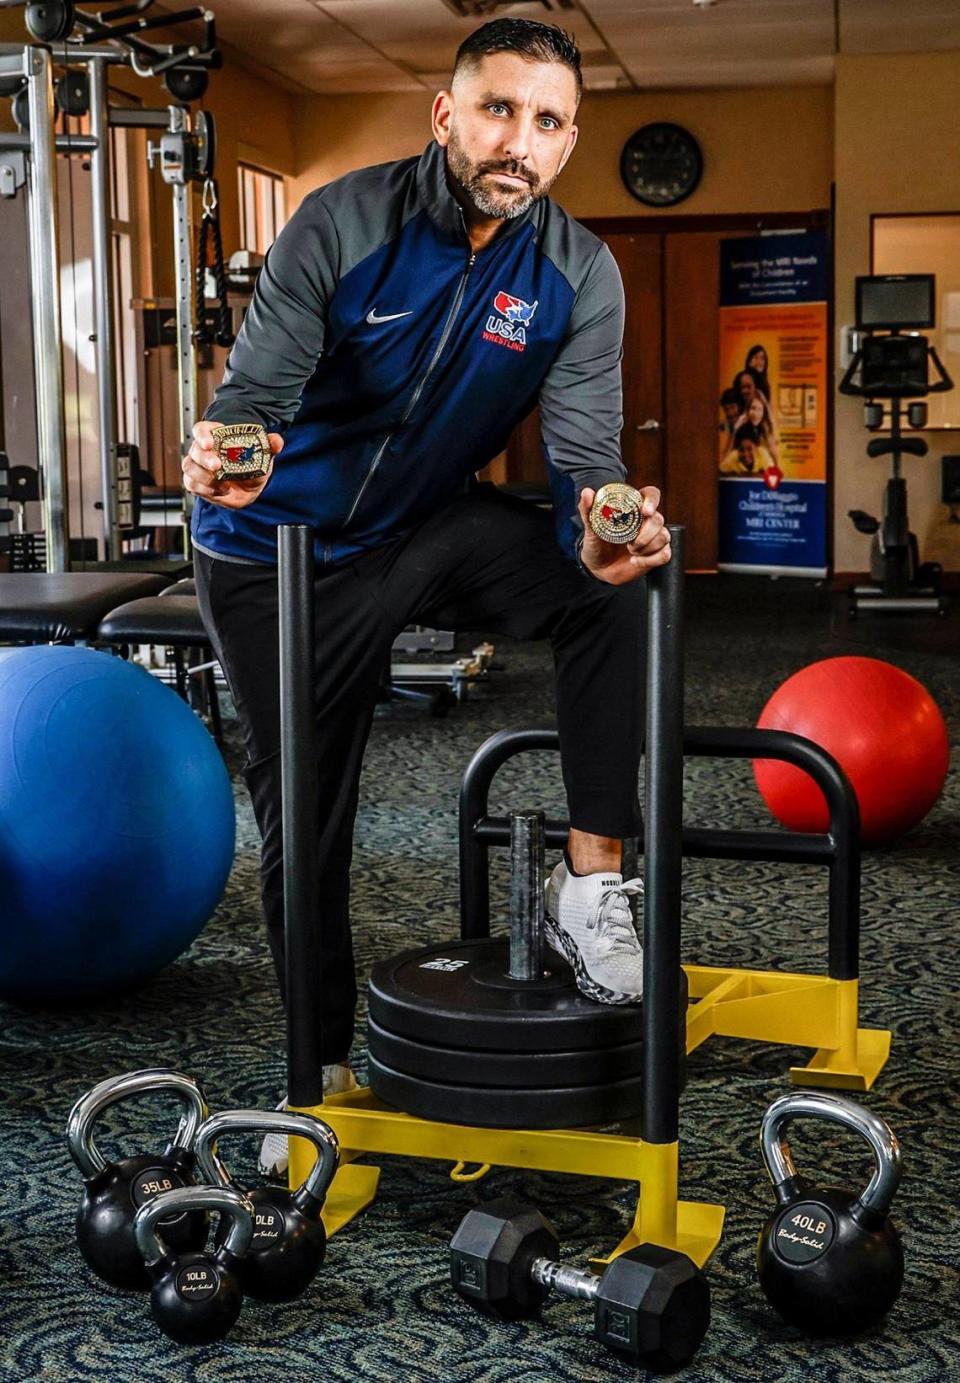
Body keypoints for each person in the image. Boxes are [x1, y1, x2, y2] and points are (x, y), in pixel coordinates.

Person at [183, 18, 670, 1172]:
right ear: (445, 116)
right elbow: (260, 393)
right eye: (499, 108)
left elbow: (587, 456)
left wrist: (605, 527)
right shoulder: (342, 224)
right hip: (274, 559)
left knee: (625, 587)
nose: (522, 139)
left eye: (548, 121)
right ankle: (319, 1074)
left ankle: (593, 884)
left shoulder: (576, 274)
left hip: (415, 532)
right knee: (309, 815)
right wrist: (227, 451)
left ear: (568, 143)